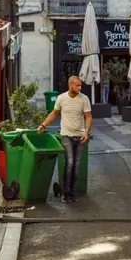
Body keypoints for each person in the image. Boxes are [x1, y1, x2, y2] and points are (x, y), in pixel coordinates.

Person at [39, 75, 94, 203]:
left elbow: (88, 116)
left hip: (80, 136)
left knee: (77, 165)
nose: (80, 87)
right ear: (70, 85)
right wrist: (43, 125)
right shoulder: (61, 98)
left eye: (80, 85)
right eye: (77, 85)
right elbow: (54, 113)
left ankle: (72, 192)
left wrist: (87, 132)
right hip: (66, 135)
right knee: (69, 163)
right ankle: (66, 193)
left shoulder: (84, 99)